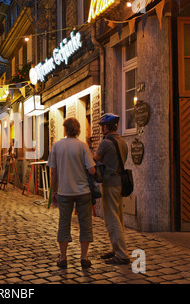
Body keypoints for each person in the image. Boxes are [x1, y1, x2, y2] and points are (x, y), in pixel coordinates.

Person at [48, 118, 96, 269]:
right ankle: (84, 257)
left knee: (64, 223)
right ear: (78, 129)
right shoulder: (83, 146)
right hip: (83, 192)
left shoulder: (57, 146)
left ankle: (63, 258)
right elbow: (91, 170)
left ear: (65, 129)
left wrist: (54, 192)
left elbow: (53, 172)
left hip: (64, 192)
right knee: (85, 223)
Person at [94, 113, 130, 265]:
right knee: (119, 218)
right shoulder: (122, 141)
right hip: (120, 182)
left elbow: (96, 159)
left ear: (106, 127)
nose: (101, 129)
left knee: (111, 219)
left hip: (109, 182)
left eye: (102, 126)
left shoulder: (106, 143)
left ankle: (121, 254)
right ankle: (116, 249)